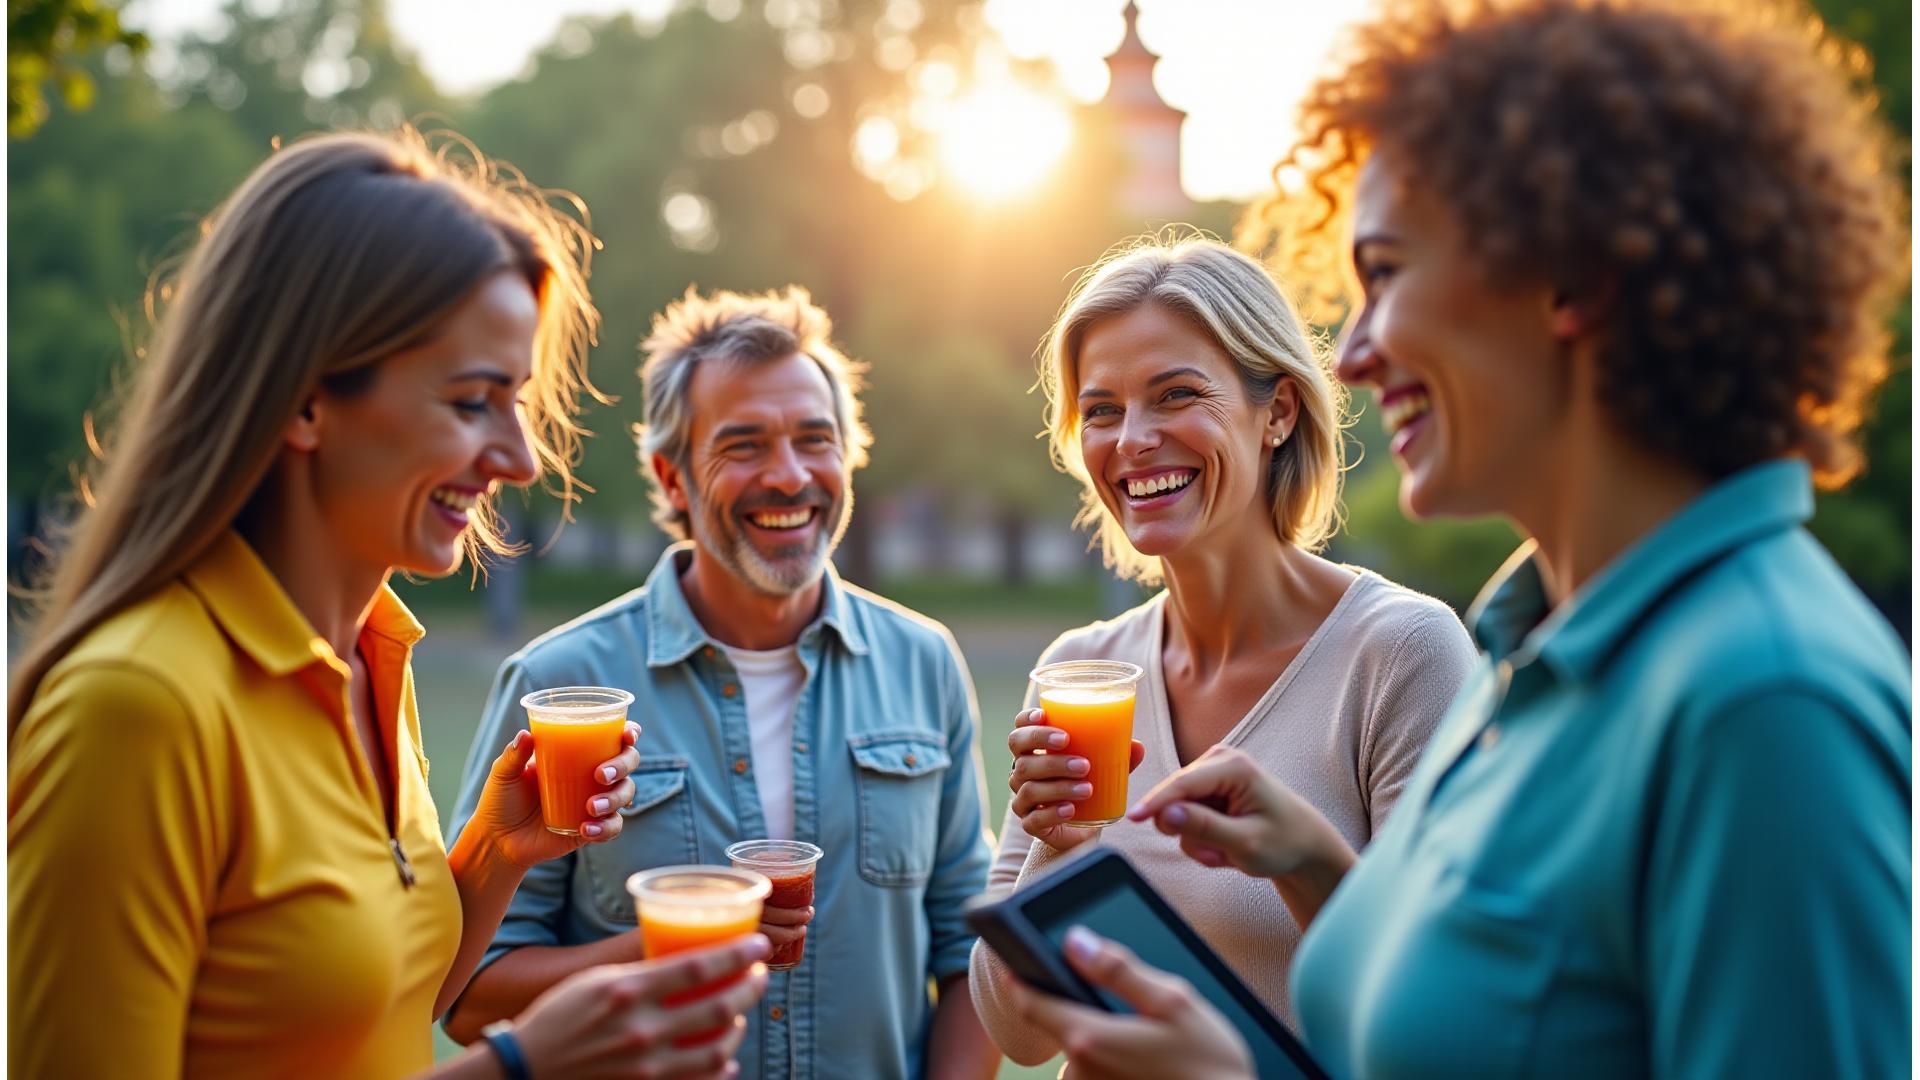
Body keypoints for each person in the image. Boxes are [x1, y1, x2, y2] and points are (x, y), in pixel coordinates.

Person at [1008, 1, 1912, 1077]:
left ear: (1570, 278)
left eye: (1387, 273)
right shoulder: (1528, 657)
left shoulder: (1761, 697)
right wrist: (1307, 861)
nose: (1355, 354)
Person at [8, 129, 773, 1080]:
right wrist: (522, 1069)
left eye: (518, 402)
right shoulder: (135, 705)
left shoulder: (367, 655)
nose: (520, 459)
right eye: (468, 402)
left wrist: (495, 852)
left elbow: (370, 1001)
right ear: (306, 402)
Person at [441, 286, 1003, 1078]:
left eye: (816, 439)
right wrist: (673, 945)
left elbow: (968, 949)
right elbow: (467, 999)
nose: (789, 475)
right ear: (673, 478)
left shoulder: (925, 662)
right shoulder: (561, 681)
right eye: (743, 446)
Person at [968, 235, 1479, 1065]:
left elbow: (1442, 1020)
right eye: (1101, 410)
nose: (1132, 439)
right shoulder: (1078, 668)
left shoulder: (1402, 654)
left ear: (1276, 412)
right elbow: (1017, 1035)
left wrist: (1309, 865)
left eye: (1175, 395)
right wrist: (1064, 849)